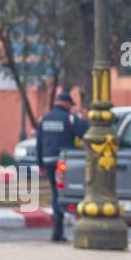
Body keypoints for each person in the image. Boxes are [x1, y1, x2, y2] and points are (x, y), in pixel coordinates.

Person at [36, 91, 86, 242]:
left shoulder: (44, 118)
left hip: (48, 161)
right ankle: (58, 232)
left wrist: (40, 163)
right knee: (61, 194)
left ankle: (57, 231)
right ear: (66, 103)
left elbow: (39, 142)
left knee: (55, 193)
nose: (71, 107)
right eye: (70, 104)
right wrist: (84, 118)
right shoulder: (70, 118)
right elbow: (84, 132)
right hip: (63, 162)